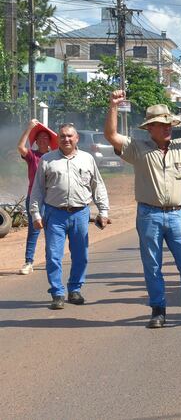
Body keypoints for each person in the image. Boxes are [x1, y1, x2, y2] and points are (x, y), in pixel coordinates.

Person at [104, 91, 181, 328]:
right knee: (152, 265)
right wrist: (113, 105)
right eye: (161, 124)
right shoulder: (137, 148)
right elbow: (111, 135)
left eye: (169, 124)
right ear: (149, 128)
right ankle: (158, 310)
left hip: (177, 214)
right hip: (148, 214)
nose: (167, 128)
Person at [29, 123, 109, 310]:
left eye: (70, 136)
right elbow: (38, 190)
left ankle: (74, 289)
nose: (66, 139)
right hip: (54, 214)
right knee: (53, 256)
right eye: (63, 136)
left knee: (81, 255)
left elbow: (98, 186)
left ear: (76, 138)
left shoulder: (87, 159)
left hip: (80, 213)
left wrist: (103, 211)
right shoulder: (47, 160)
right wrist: (35, 214)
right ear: (58, 138)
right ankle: (57, 293)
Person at [17, 119, 57, 275]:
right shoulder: (32, 156)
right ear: (35, 141)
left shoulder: (54, 156)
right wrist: (29, 128)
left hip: (52, 199)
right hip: (34, 198)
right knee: (34, 230)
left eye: (46, 138)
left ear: (49, 141)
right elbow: (20, 147)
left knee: (52, 230)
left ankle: (51, 260)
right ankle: (28, 262)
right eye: (39, 137)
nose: (42, 140)